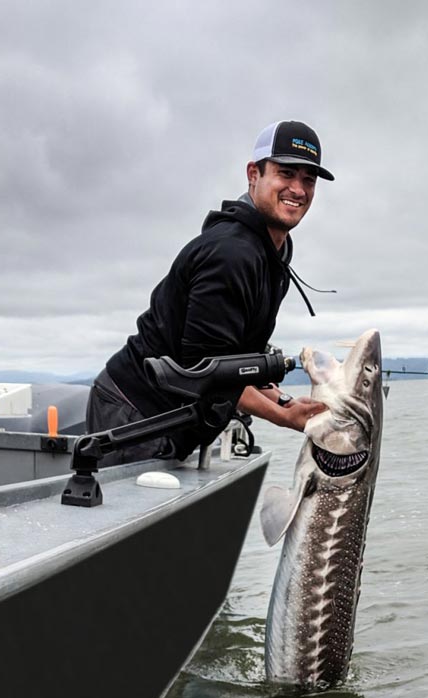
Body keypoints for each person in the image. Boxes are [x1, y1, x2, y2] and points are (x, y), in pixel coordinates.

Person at [86, 120, 334, 464]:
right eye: (286, 173)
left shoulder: (273, 251)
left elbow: (235, 360)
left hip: (172, 413)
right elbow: (206, 372)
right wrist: (286, 417)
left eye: (308, 180)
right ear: (254, 174)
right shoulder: (231, 254)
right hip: (136, 411)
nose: (298, 189)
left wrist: (286, 402)